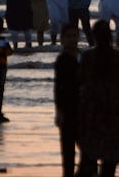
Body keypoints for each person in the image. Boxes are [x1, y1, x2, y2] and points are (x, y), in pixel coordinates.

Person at [78, 20, 119, 177]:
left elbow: (79, 79)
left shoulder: (87, 56)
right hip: (113, 105)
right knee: (110, 153)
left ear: (94, 36)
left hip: (91, 106)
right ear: (110, 36)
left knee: (89, 151)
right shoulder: (117, 56)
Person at [54, 24, 80, 177]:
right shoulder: (62, 59)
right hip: (67, 106)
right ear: (62, 39)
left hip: (84, 106)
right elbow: (58, 87)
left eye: (74, 36)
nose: (72, 39)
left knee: (87, 146)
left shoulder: (83, 56)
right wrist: (58, 111)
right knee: (68, 148)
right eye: (68, 37)